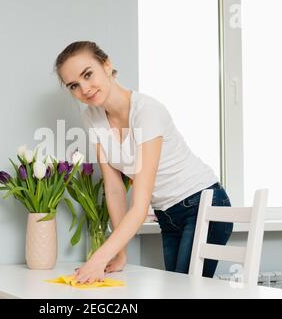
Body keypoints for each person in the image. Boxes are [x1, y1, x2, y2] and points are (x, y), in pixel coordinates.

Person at [54, 41, 233, 284]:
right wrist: (120, 254)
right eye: (74, 85)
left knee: (184, 292)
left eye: (88, 74)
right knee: (176, 290)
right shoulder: (92, 117)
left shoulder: (147, 111)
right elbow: (114, 189)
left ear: (107, 65)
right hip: (167, 214)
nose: (84, 88)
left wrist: (98, 259)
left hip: (203, 204)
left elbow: (139, 207)